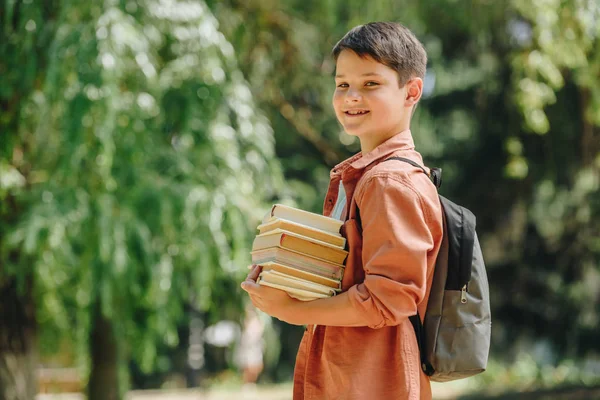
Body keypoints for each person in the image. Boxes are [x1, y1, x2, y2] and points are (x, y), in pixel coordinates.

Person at [241, 21, 443, 400]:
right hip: (354, 374)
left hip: (372, 380)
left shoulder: (388, 181)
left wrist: (293, 311)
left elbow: (390, 297)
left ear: (411, 91)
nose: (351, 96)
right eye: (342, 84)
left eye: (370, 84)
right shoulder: (369, 175)